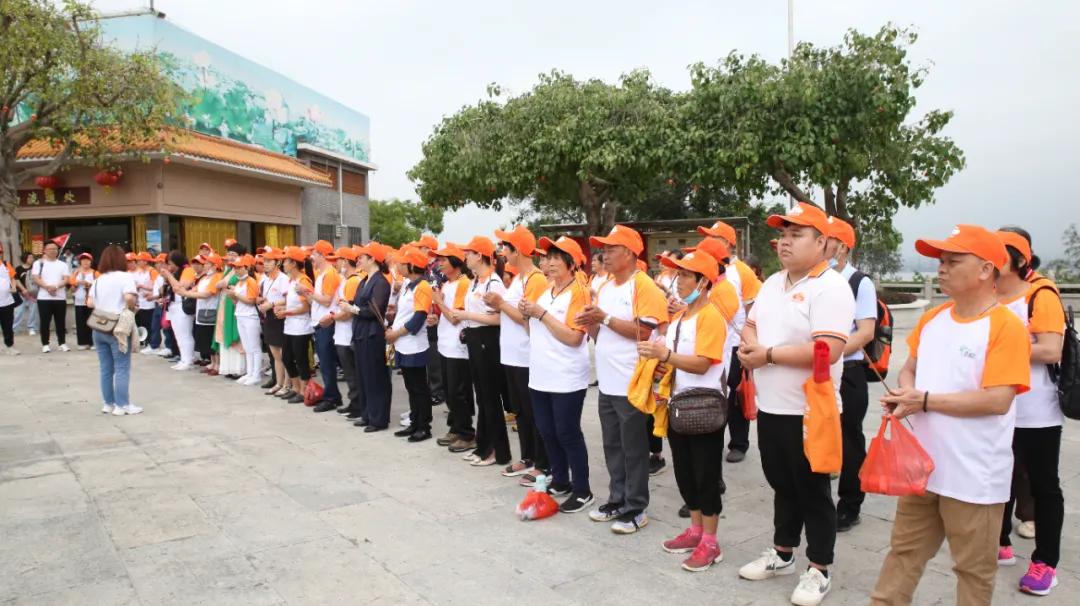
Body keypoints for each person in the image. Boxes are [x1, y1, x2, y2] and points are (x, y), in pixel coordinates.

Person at [868, 225, 1031, 606]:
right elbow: (910, 368)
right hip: (922, 469)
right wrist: (906, 392)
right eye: (940, 261)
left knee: (973, 572)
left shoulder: (1006, 326)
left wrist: (923, 400)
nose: (941, 268)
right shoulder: (934, 318)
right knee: (903, 554)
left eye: (953, 261)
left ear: (986, 270)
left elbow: (997, 400)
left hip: (974, 476)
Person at [736, 202, 854, 606]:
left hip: (809, 410)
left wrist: (766, 355)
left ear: (822, 242)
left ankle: (819, 567)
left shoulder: (831, 287)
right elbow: (751, 323)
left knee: (812, 489)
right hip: (772, 405)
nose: (785, 242)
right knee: (782, 483)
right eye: (782, 235)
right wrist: (750, 345)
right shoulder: (773, 282)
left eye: (796, 234)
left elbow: (828, 349)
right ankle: (783, 552)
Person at [638, 249, 729, 572]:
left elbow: (704, 363)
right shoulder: (680, 318)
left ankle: (711, 541)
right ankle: (695, 530)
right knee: (685, 472)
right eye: (678, 275)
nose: (679, 281)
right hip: (678, 404)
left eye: (687, 275)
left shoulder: (711, 316)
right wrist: (661, 366)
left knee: (706, 475)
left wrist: (665, 356)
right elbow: (675, 360)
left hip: (704, 406)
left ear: (704, 282)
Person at [578, 225, 669, 534]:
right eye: (603, 249)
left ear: (629, 253)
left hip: (632, 382)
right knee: (613, 445)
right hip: (607, 382)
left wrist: (603, 317)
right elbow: (599, 331)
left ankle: (636, 507)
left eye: (611, 248)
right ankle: (617, 499)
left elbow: (645, 331)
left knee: (633, 448)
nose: (604, 254)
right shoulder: (605, 287)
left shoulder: (643, 286)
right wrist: (590, 320)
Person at [994, 228, 1065, 596]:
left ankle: (1045, 562)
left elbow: (1051, 350)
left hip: (1037, 410)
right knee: (999, 477)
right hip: (996, 407)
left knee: (1042, 484)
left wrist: (998, 347)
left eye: (997, 253)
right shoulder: (990, 295)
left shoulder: (1041, 294)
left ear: (1020, 260)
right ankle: (1000, 542)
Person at [521, 236, 593, 512]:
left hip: (566, 375)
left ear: (571, 264)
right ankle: (561, 479)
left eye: (556, 259)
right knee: (547, 431)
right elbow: (532, 332)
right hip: (540, 374)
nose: (549, 263)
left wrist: (541, 314)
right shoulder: (546, 291)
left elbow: (575, 337)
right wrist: (527, 315)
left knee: (567, 432)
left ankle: (583, 489)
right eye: (547, 258)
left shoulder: (579, 293)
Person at [823, 217, 878, 532]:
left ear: (842, 247)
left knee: (849, 439)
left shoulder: (859, 282)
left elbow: (866, 332)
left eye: (826, 239)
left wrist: (830, 352)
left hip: (848, 371)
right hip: (818, 370)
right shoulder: (816, 279)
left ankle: (850, 504)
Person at [698, 220, 762, 464]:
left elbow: (753, 307)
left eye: (713, 237)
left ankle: (739, 443)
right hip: (711, 341)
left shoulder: (742, 271)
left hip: (735, 343)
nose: (706, 241)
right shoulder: (705, 268)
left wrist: (749, 340)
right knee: (715, 393)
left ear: (726, 243)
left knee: (735, 395)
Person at [489, 226, 549, 479]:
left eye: (506, 247)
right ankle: (528, 456)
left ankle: (543, 463)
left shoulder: (536, 280)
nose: (502, 252)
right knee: (521, 411)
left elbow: (528, 319)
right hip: (512, 355)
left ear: (518, 251)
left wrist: (501, 304)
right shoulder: (518, 279)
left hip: (526, 355)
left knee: (533, 412)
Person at [451, 236, 510, 467]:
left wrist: (467, 316)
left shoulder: (493, 283)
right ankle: (483, 445)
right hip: (475, 338)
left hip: (488, 340)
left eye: (469, 253)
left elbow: (499, 318)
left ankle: (497, 450)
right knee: (482, 397)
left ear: (480, 255)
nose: (465, 257)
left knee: (490, 397)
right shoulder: (475, 281)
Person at [86, 245, 142, 416]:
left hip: (99, 325)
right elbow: (129, 297)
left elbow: (89, 303)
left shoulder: (98, 279)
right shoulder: (126, 277)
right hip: (118, 326)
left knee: (106, 368)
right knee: (122, 367)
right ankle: (122, 405)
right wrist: (132, 305)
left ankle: (108, 403)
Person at [431, 243, 477, 452]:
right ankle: (455, 428)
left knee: (458, 392)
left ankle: (467, 433)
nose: (439, 264)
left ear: (455, 262)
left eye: (443, 260)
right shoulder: (447, 284)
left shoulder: (463, 283)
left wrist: (439, 303)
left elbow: (455, 317)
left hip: (458, 348)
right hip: (445, 344)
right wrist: (435, 317)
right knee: (450, 392)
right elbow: (446, 315)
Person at [388, 246, 435, 442]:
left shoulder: (423, 286)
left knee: (419, 387)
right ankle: (415, 422)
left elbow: (418, 319)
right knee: (410, 386)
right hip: (403, 344)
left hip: (414, 345)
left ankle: (424, 426)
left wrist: (396, 333)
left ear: (413, 266)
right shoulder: (409, 285)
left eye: (403, 263)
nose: (399, 266)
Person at [350, 242, 393, 431]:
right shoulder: (364, 280)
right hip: (361, 332)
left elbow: (374, 309)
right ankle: (367, 413)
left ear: (373, 258)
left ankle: (378, 418)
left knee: (375, 376)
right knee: (363, 375)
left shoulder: (381, 282)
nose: (358, 260)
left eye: (362, 257)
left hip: (373, 333)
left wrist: (353, 309)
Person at [301, 240, 342, 413]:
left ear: (322, 255)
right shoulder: (321, 274)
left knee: (327, 363)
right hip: (320, 322)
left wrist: (307, 291)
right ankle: (332, 395)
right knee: (325, 363)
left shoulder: (330, 274)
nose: (312, 257)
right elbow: (317, 300)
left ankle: (332, 397)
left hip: (326, 323)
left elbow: (326, 300)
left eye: (315, 254)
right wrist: (306, 294)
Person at [276, 246, 314, 404]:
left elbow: (306, 307)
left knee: (301, 359)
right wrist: (282, 308)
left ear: (293, 263)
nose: (283, 264)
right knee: (286, 358)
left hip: (301, 327)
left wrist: (286, 312)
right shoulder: (291, 281)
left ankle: (305, 390)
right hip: (290, 326)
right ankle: (296, 387)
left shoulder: (303, 281)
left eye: (285, 261)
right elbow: (291, 303)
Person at [330, 247, 364, 417]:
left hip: (347, 333)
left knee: (352, 372)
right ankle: (354, 402)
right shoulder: (346, 280)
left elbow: (349, 311)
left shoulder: (352, 281)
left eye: (337, 260)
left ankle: (357, 404)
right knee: (350, 372)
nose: (335, 263)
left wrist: (333, 317)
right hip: (342, 332)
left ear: (345, 261)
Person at [415, 235, 447, 407]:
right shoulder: (427, 268)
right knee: (430, 354)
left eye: (420, 248)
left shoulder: (437, 269)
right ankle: (433, 388)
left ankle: (437, 391)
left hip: (437, 316)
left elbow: (440, 293)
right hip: (427, 315)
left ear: (427, 249)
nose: (417, 250)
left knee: (434, 355)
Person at [225, 254, 263, 386]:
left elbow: (251, 301)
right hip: (240, 315)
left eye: (239, 267)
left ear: (246, 268)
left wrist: (235, 294)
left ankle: (256, 374)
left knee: (254, 346)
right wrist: (233, 296)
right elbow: (237, 302)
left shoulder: (251, 281)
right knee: (247, 347)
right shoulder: (239, 282)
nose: (236, 270)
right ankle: (250, 372)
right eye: (235, 268)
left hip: (250, 316)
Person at [257, 248, 291, 395]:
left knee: (284, 354)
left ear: (278, 262)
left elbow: (288, 299)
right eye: (264, 261)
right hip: (268, 317)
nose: (265, 264)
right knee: (275, 354)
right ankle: (279, 382)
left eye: (269, 261)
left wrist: (271, 304)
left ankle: (287, 384)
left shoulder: (283, 279)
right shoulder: (265, 279)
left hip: (279, 317)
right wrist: (261, 301)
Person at [185, 254, 224, 373]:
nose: (205, 265)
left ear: (215, 266)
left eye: (208, 264)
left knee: (212, 338)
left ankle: (218, 364)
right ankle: (212, 363)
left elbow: (207, 294)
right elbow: (194, 289)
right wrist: (185, 291)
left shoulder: (217, 277)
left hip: (211, 311)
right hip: (201, 312)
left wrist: (187, 294)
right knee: (206, 339)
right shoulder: (204, 278)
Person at [214, 243, 247, 379]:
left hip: (234, 306)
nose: (231, 257)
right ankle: (228, 368)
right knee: (224, 335)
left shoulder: (242, 271)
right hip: (224, 306)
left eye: (234, 255)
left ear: (242, 256)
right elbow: (218, 285)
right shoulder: (228, 270)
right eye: (229, 254)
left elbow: (222, 284)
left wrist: (222, 284)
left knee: (235, 336)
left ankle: (238, 369)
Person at [161, 251, 198, 371]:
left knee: (185, 334)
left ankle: (188, 360)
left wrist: (169, 276)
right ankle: (183, 358)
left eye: (170, 263)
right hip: (173, 306)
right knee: (178, 335)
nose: (169, 266)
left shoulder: (187, 270)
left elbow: (180, 287)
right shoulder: (174, 273)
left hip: (182, 306)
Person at [31, 241, 71, 353]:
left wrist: (56, 286)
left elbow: (66, 279)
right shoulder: (38, 263)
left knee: (60, 322)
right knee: (45, 322)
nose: (53, 251)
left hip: (60, 297)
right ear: (44, 250)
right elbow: (36, 278)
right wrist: (47, 287)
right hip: (44, 298)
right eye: (50, 249)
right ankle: (45, 344)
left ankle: (62, 343)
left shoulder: (62, 264)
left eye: (55, 249)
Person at [0, 244, 29, 355]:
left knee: (7, 326)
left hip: (6, 301)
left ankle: (9, 346)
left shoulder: (5, 265)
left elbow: (13, 278)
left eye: (0, 252)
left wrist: (14, 287)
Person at [68, 252, 98, 351]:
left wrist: (90, 285)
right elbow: (72, 289)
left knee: (93, 322)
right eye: (83, 260)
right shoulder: (76, 273)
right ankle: (82, 342)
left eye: (87, 260)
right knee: (80, 322)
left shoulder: (95, 273)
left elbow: (100, 287)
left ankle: (93, 342)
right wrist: (77, 283)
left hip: (92, 302)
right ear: (80, 262)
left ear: (91, 262)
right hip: (79, 302)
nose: (85, 262)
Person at [132, 252, 157, 351]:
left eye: (139, 260)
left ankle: (151, 343)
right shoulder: (139, 272)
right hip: (140, 301)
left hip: (150, 302)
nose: (138, 262)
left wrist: (143, 286)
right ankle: (145, 342)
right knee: (142, 323)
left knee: (149, 323)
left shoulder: (152, 271)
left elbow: (157, 287)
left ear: (146, 261)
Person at [14, 252, 39, 336]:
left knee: (33, 311)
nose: (32, 259)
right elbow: (16, 280)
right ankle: (14, 328)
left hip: (33, 294)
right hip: (21, 293)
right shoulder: (18, 268)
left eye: (32, 257)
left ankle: (31, 327)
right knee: (18, 311)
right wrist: (23, 289)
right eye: (30, 257)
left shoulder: (35, 268)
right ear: (25, 258)